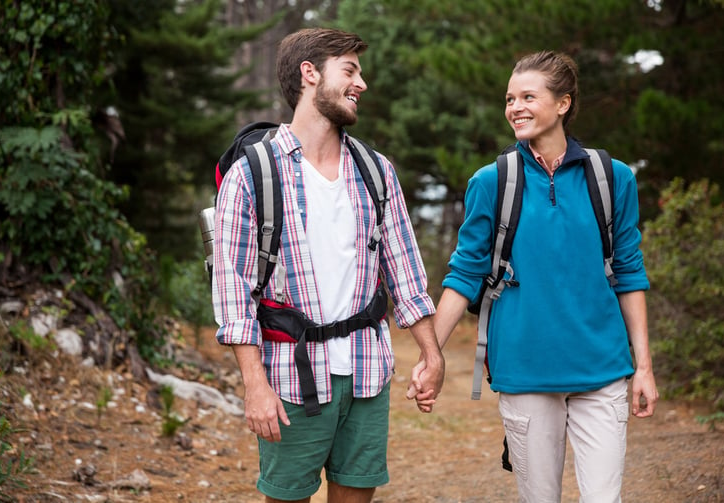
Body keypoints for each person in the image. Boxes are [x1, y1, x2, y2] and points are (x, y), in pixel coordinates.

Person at [411, 51, 659, 502]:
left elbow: (628, 272)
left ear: (563, 103)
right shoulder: (492, 181)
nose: (515, 107)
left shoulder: (611, 178)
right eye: (509, 98)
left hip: (601, 367)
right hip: (524, 369)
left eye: (528, 96)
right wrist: (432, 355)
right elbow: (465, 273)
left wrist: (643, 366)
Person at [212, 28, 444, 503]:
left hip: (368, 370)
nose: (362, 83)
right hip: (292, 378)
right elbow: (234, 295)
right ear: (310, 73)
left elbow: (405, 271)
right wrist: (255, 387)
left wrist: (432, 353)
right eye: (351, 70)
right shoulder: (253, 173)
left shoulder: (376, 170)